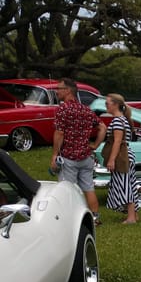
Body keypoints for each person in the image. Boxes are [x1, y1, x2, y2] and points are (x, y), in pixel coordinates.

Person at [51, 78, 106, 225]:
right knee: (89, 188)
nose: (57, 91)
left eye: (59, 88)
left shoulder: (62, 109)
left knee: (67, 190)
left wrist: (55, 154)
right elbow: (102, 127)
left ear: (68, 90)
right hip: (86, 156)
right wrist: (94, 145)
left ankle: (69, 219)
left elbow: (59, 133)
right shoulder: (86, 109)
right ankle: (95, 218)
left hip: (68, 157)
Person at [103, 93, 139, 224]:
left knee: (125, 185)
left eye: (107, 103)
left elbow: (117, 142)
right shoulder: (124, 119)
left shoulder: (118, 120)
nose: (105, 106)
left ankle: (131, 218)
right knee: (130, 184)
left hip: (122, 156)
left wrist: (111, 160)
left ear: (115, 105)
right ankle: (134, 214)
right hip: (127, 155)